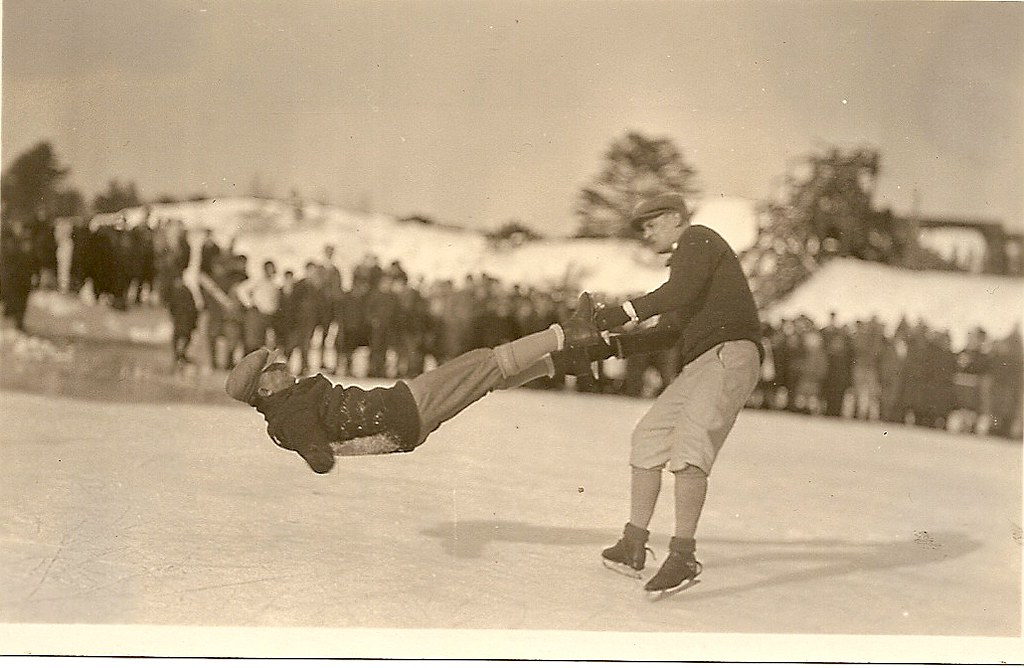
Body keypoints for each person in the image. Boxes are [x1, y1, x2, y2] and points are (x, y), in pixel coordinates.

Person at [587, 193, 763, 595]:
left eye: (650, 225)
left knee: (689, 450)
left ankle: (683, 554)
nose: (645, 234)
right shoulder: (688, 263)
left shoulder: (699, 239)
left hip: (730, 353)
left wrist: (619, 313)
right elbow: (668, 331)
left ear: (674, 219)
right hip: (704, 360)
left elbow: (676, 294)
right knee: (648, 438)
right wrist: (611, 346)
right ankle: (634, 544)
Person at [224, 294, 604, 475]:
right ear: (265, 390)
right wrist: (330, 447)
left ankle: (559, 363)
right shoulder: (288, 416)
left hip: (402, 416)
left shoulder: (288, 405)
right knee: (483, 362)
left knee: (483, 376)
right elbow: (320, 457)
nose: (284, 364)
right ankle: (567, 334)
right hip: (402, 410)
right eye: (275, 368)